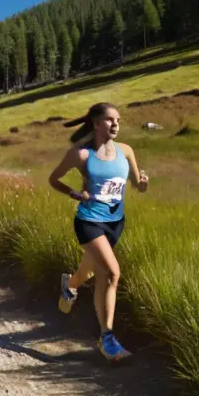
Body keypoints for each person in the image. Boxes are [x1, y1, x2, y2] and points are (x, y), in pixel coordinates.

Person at [48, 102, 149, 362]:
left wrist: (144, 184)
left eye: (118, 120)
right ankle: (108, 339)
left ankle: (69, 285)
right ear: (96, 123)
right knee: (111, 273)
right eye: (109, 120)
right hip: (89, 221)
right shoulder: (80, 155)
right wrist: (74, 193)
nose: (116, 124)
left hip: (116, 222)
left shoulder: (126, 151)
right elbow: (53, 179)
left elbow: (138, 186)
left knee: (90, 271)